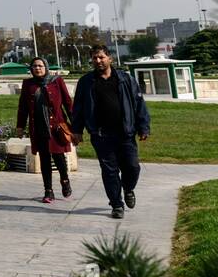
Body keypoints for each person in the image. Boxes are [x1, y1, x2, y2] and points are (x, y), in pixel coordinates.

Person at [71, 45, 151, 219]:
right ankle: (116, 204)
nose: (98, 61)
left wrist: (143, 126)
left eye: (101, 57)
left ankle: (128, 188)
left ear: (110, 59)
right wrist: (76, 130)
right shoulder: (86, 81)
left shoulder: (125, 79)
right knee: (110, 171)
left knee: (132, 167)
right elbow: (78, 108)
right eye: (94, 58)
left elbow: (139, 104)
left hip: (126, 133)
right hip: (101, 135)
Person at [15, 56, 74, 203]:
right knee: (45, 159)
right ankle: (48, 191)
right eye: (34, 66)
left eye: (40, 66)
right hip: (39, 127)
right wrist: (20, 126)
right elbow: (23, 107)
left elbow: (67, 102)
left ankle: (65, 180)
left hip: (56, 128)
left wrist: (76, 125)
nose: (37, 68)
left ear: (46, 67)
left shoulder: (57, 81)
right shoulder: (28, 84)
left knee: (59, 157)